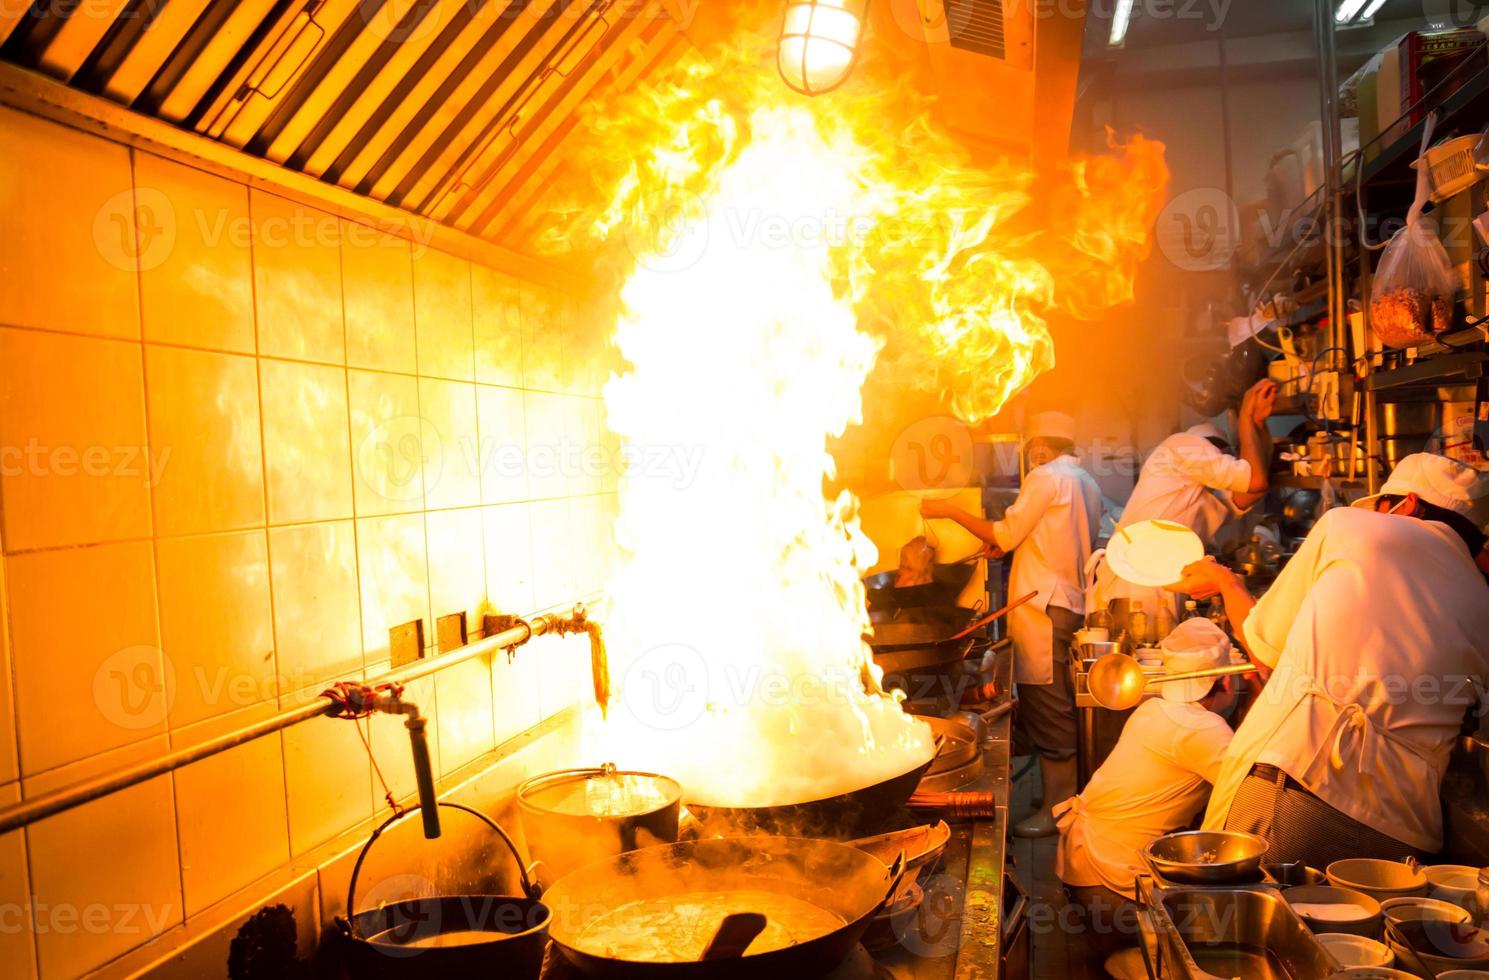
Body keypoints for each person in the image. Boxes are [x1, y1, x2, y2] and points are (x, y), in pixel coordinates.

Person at [1167, 453, 1489, 868]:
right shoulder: (1482, 598)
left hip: (1303, 786)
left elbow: (1265, 648)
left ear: (1406, 503)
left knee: (1247, 922)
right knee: (1355, 933)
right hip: (1405, 831)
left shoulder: (1351, 525)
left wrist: (1226, 582)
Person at [920, 411, 1101, 837]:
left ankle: (1058, 814)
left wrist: (949, 510)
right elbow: (1043, 536)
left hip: (1044, 607)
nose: (1032, 452)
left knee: (1047, 703)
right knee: (1059, 701)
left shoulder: (1045, 477)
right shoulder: (1086, 482)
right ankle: (1063, 798)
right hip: (1067, 601)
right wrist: (1007, 545)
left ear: (1044, 446)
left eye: (1036, 445)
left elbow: (1005, 533)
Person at [1054, 618, 1236, 961]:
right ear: (1226, 679)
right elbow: (1252, 788)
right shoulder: (1203, 730)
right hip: (1112, 892)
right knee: (1226, 934)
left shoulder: (1154, 708)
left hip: (1081, 872)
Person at [1092, 378, 1279, 622]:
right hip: (1132, 584)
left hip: (1161, 583)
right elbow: (1254, 479)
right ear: (1213, 450)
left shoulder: (1202, 491)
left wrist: (1258, 423)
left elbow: (1254, 488)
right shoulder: (1183, 446)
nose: (1228, 464)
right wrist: (1245, 417)